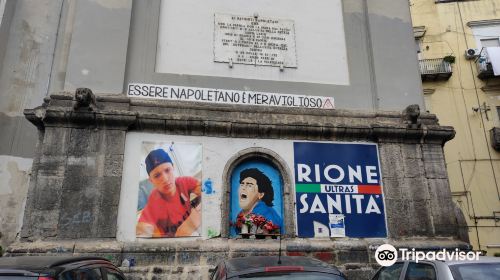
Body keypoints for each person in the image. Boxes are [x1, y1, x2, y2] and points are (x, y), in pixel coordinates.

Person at [136, 148, 201, 237]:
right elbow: (142, 228)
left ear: (173, 167)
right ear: (151, 181)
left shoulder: (183, 182)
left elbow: (208, 191)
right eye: (157, 175)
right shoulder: (153, 201)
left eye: (167, 170)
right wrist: (146, 230)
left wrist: (195, 218)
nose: (165, 179)